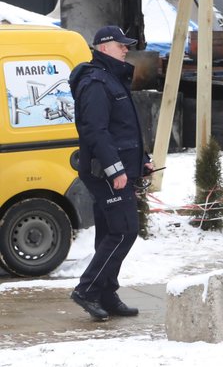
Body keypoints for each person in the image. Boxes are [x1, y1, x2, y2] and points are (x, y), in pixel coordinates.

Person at [67, 26, 153, 322]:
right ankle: (87, 289)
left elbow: (124, 129)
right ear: (104, 48)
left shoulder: (111, 79)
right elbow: (95, 131)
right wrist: (115, 169)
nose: (126, 49)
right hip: (105, 172)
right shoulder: (95, 82)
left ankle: (105, 292)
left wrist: (142, 160)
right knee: (124, 230)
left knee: (109, 231)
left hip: (117, 168)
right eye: (121, 45)